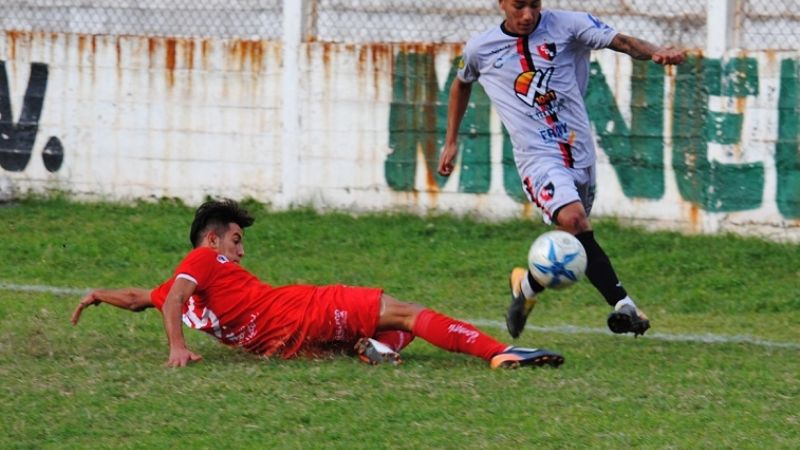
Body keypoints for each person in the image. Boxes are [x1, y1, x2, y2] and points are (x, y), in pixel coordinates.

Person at [71, 199, 564, 370]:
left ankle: (371, 350)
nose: (240, 252)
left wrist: (98, 295)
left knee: (400, 331)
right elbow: (171, 299)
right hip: (303, 311)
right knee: (409, 311)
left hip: (286, 345)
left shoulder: (193, 282)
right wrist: (177, 348)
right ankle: (500, 353)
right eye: (236, 240)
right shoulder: (203, 257)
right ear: (213, 239)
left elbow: (144, 299)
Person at [437, 1, 686, 339]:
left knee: (575, 240)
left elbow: (621, 42)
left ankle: (524, 288)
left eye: (534, 5)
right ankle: (624, 305)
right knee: (575, 221)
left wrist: (657, 51)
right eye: (518, 6)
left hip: (579, 151)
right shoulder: (481, 49)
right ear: (501, 4)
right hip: (537, 158)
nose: (527, 15)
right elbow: (461, 83)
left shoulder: (569, 25)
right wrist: (451, 141)